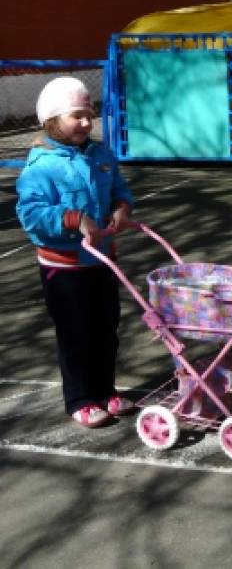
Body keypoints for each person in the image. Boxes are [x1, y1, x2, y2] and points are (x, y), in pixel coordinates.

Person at [15, 77, 135, 429]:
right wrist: (73, 218)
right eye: (77, 115)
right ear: (52, 120)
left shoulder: (101, 155)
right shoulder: (42, 167)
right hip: (63, 269)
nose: (86, 122)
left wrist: (121, 208)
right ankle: (80, 398)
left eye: (89, 114)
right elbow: (32, 216)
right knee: (75, 334)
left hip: (102, 260)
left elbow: (120, 190)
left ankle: (105, 389)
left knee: (105, 330)